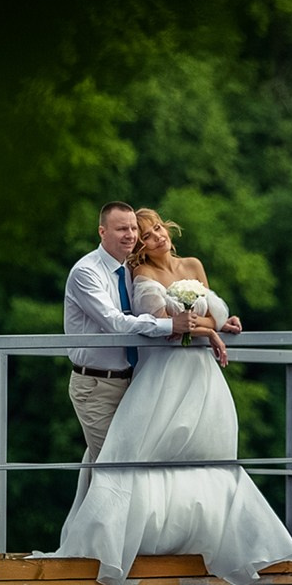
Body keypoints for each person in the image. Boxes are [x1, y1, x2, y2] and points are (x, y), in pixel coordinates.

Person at [39, 207, 292, 585]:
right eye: (130, 231)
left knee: (188, 458)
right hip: (103, 381)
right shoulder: (97, 272)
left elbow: (203, 317)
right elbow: (122, 323)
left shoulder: (170, 265)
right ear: (103, 231)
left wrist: (214, 327)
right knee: (118, 463)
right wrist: (189, 327)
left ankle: (162, 543)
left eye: (142, 229)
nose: (139, 235)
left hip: (149, 376)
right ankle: (104, 556)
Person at [62, 201, 191, 484]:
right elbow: (115, 323)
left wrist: (219, 323)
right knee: (117, 470)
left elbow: (169, 308)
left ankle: (90, 527)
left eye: (133, 228)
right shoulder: (86, 273)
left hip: (133, 382)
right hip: (96, 386)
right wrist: (170, 325)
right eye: (122, 229)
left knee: (122, 469)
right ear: (102, 232)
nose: (130, 234)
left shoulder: (132, 270)